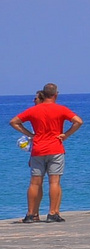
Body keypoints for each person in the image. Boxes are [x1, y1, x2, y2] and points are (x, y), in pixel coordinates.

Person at [11, 84, 80, 223]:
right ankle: (52, 213)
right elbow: (78, 121)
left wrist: (30, 134)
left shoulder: (34, 110)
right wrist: (66, 134)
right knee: (54, 182)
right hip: (55, 148)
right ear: (56, 94)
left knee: (35, 183)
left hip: (38, 149)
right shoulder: (61, 109)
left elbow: (14, 122)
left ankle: (31, 214)